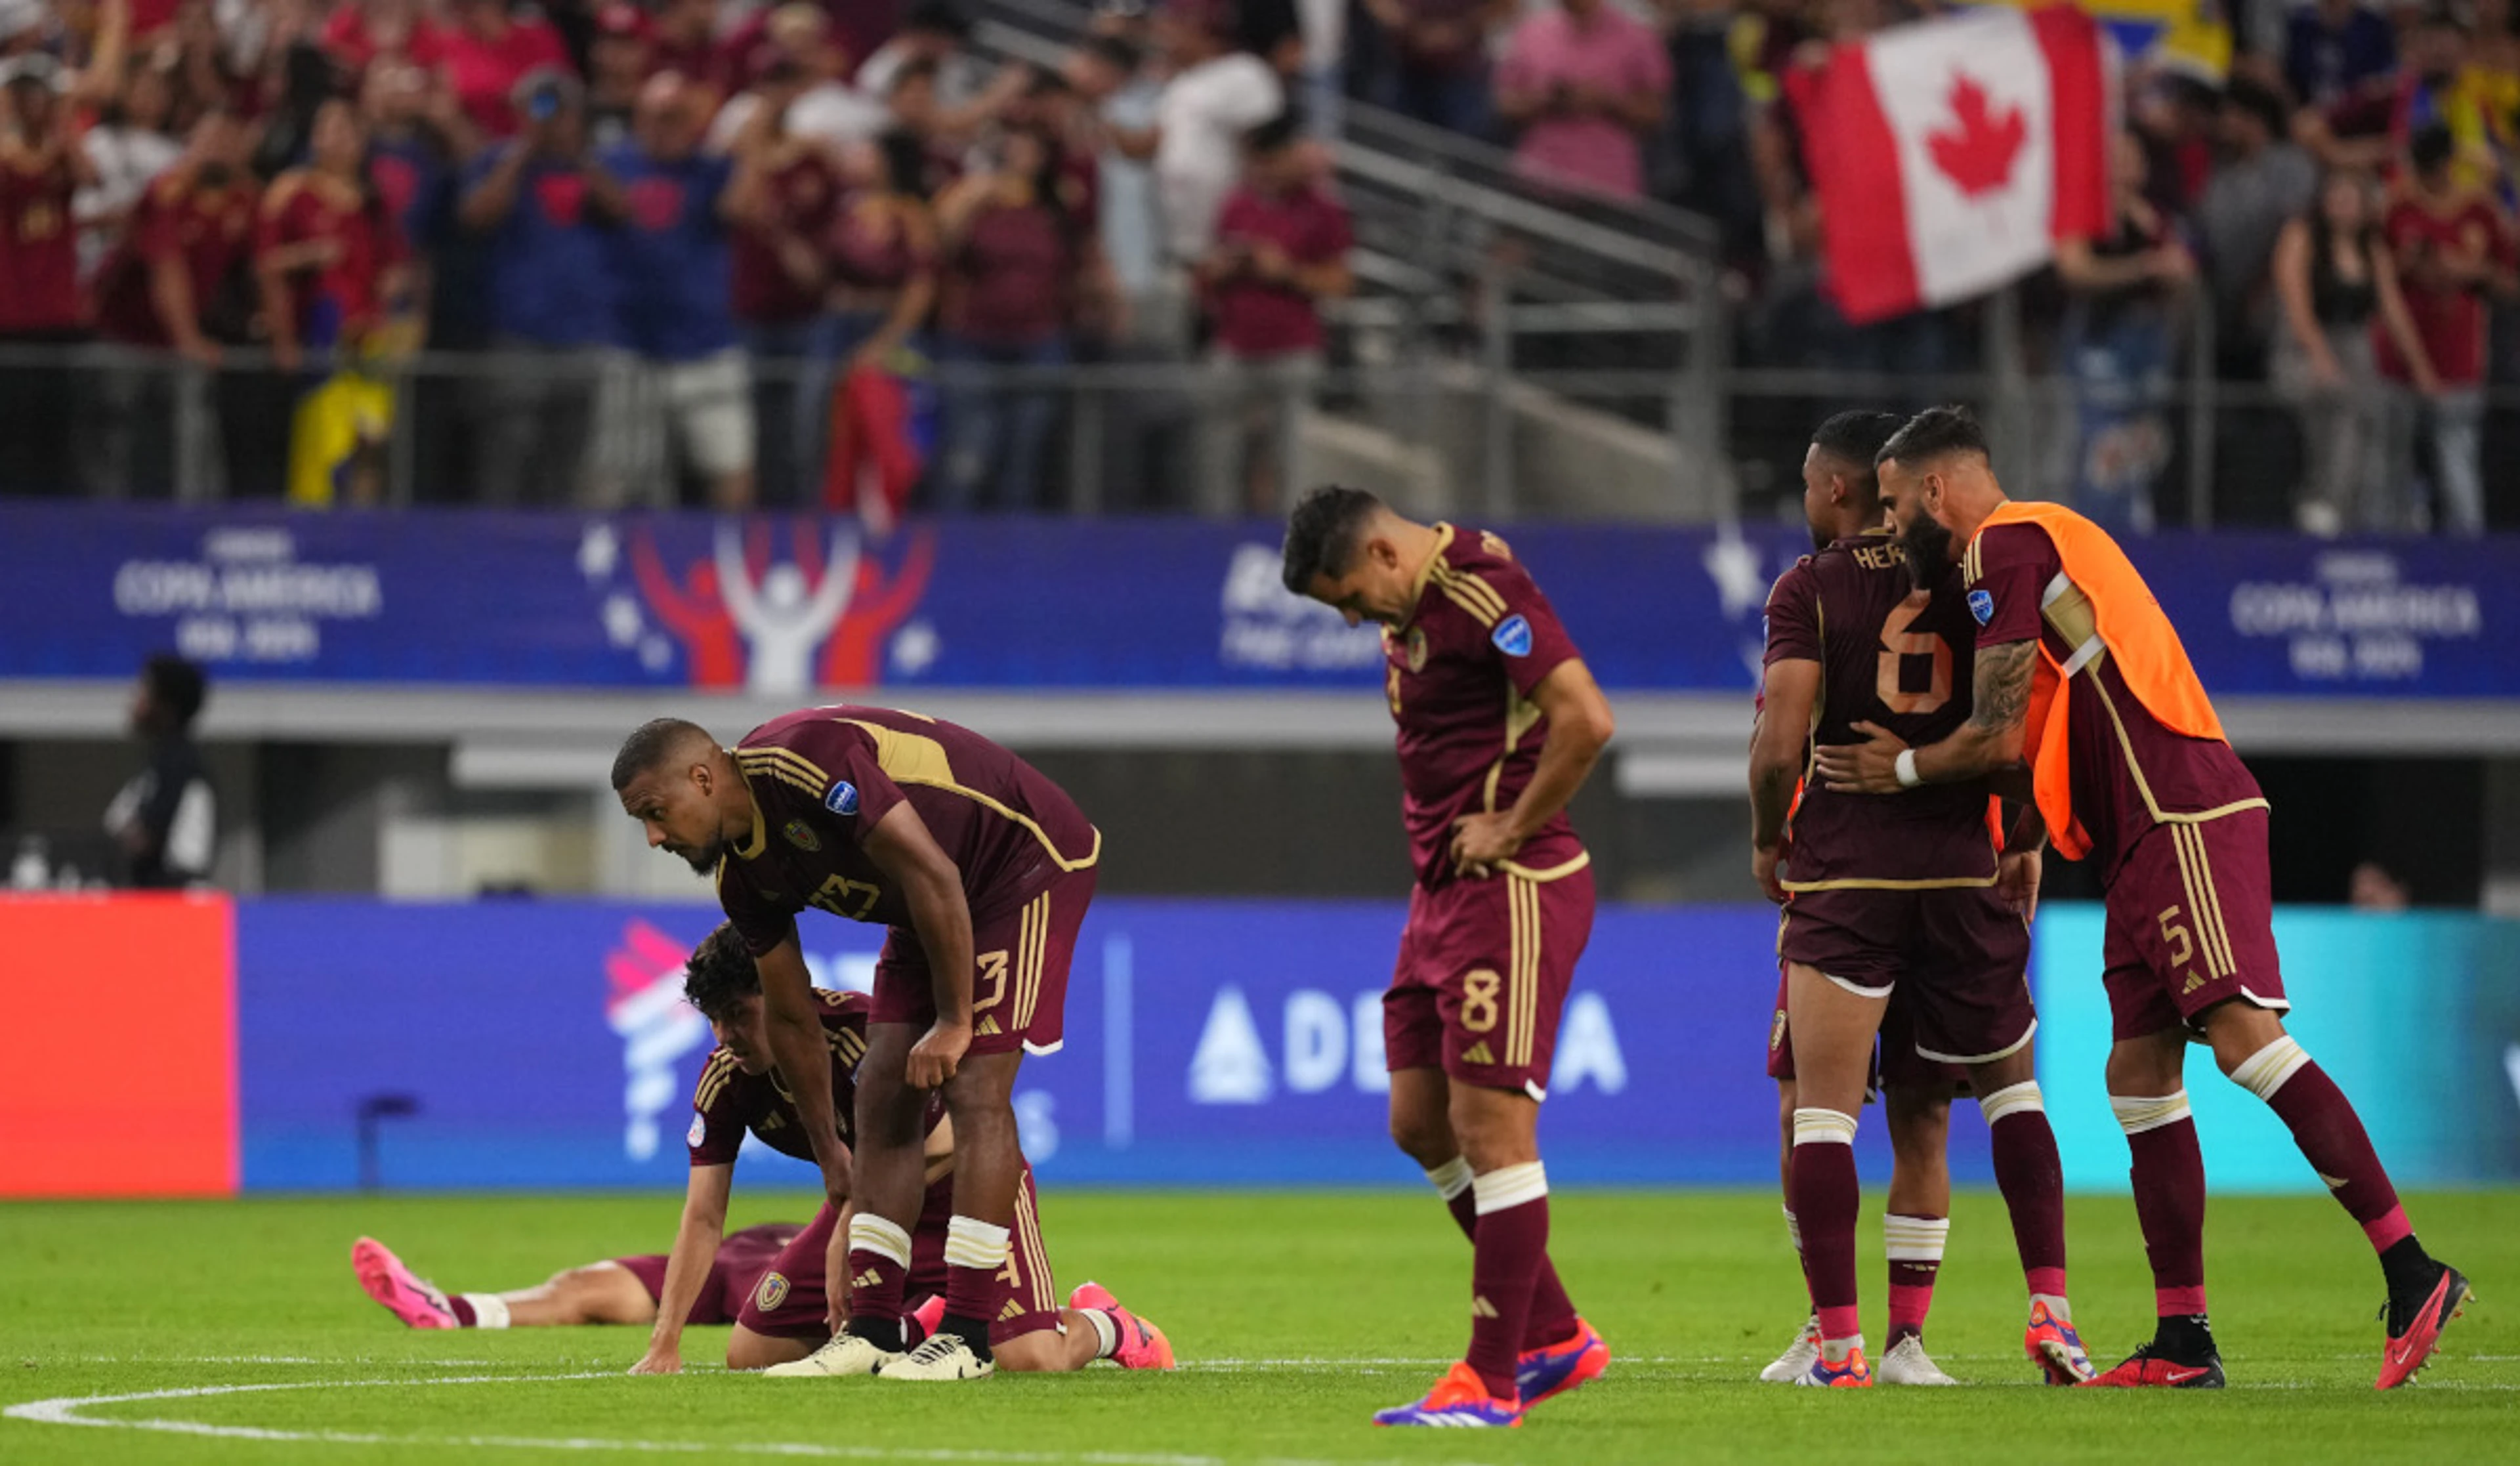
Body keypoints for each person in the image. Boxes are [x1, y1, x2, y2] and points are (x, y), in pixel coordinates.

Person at [1817, 406, 2475, 1391]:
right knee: (2138, 1072)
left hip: (2180, 807)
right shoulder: (2025, 568)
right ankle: (2183, 1340)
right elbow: (2041, 720)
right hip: (2131, 835)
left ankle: (2410, 1265)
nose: (1896, 523)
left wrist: (1898, 770)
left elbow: (1994, 733)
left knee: (2246, 1037)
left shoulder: (2006, 540)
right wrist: (2031, 839)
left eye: (1901, 502)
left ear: (1938, 491)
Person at [353, 924, 1173, 1375]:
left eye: (740, 1017)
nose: (728, 1038)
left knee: (1030, 1360)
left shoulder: (863, 1035)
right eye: (714, 1022)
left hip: (964, 1193)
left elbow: (942, 1143)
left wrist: (853, 1235)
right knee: (751, 1350)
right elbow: (703, 1215)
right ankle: (909, 1325)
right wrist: (665, 1341)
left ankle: (1107, 1323)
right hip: (860, 1205)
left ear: (780, 1000)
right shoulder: (727, 1079)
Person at [610, 707, 1101, 1383]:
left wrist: (957, 1019)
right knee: (879, 1091)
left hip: (1016, 865)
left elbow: (932, 868)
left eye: (654, 810)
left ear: (701, 777)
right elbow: (789, 1015)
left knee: (973, 1087)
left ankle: (965, 1335)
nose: (653, 834)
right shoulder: (743, 878)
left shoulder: (804, 763)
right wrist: (829, 1155)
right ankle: (870, 1329)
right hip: (923, 901)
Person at [1750, 410, 2087, 1390]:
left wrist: (1769, 835)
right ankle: (2025, 1320)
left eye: (1815, 483)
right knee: (1991, 1098)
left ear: (1843, 488)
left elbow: (1780, 747)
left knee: (1817, 1114)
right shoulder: (1974, 573)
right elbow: (2022, 718)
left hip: (1847, 875)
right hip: (1960, 873)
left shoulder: (1809, 586)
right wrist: (2023, 839)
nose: (1809, 499)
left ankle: (1840, 1342)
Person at [1280, 487, 1614, 1428]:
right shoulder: (1429, 593)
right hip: (1440, 896)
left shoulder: (1479, 595)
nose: (1353, 619)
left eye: (1349, 597)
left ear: (1385, 553)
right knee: (1420, 1121)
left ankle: (1491, 1378)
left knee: (1493, 1128)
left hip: (1513, 885)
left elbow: (1586, 716)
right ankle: (1554, 1336)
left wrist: (1512, 822)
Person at [457, 68, 627, 505]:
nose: (553, 119)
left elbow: (623, 212)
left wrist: (579, 156)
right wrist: (524, 148)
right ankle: (496, 551)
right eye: (540, 107)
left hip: (583, 334)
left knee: (571, 464)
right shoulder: (496, 161)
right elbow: (478, 217)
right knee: (507, 454)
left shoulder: (597, 164)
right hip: (519, 335)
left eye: (562, 109)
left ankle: (559, 560)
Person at [602, 71, 761, 509]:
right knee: (618, 476)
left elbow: (740, 211)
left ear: (693, 121)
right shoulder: (612, 164)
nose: (665, 128)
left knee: (730, 467)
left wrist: (752, 150)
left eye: (676, 117)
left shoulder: (712, 170)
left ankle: (728, 562)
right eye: (656, 116)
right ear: (638, 118)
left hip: (706, 343)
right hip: (633, 343)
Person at [932, 121, 1091, 511]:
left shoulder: (1055, 206)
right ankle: (957, 544)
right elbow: (937, 247)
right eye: (1014, 151)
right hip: (974, 340)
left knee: (1026, 454)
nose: (1020, 159)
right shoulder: (972, 200)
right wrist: (972, 197)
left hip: (1039, 339)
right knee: (973, 447)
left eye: (1029, 150)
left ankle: (1019, 551)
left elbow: (1077, 265)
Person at [1197, 113, 1351, 514]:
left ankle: (1295, 548)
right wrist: (1227, 267)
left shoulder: (1322, 208)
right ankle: (1217, 542)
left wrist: (1286, 271)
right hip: (1235, 343)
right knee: (1219, 455)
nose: (1264, 170)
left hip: (1294, 348)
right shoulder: (1238, 202)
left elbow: (1341, 282)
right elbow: (1208, 270)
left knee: (1293, 461)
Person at [2269, 167, 2435, 536]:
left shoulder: (2372, 248)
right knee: (2342, 406)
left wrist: (2422, 368)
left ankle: (2378, 511)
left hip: (2354, 349)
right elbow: (2296, 308)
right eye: (2335, 197)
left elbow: (2393, 312)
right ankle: (2324, 503)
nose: (2342, 206)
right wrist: (2321, 357)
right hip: (2301, 347)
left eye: (2351, 199)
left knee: (2381, 409)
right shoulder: (2301, 236)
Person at [2382, 123, 2513, 536]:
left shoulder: (2480, 210)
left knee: (2457, 461)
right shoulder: (2397, 208)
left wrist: (2474, 272)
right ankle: (2393, 555)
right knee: (2392, 466)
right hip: (2398, 362)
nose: (2430, 178)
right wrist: (2408, 264)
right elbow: (2374, 278)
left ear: (2449, 165)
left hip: (2459, 358)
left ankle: (2468, 560)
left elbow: (2512, 283)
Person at [351, 1225, 812, 1337]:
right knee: (583, 1285)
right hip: (744, 1246)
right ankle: (451, 1310)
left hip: (798, 1259)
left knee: (793, 1301)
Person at [0, 54, 98, 499]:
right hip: (10, 316)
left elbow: (91, 177)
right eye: (24, 94)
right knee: (12, 431)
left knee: (58, 432)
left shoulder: (62, 157)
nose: (32, 103)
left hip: (58, 315)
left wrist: (65, 123)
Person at [1492, 0, 1669, 199]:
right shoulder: (1532, 32)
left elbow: (1654, 113)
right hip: (1536, 176)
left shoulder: (1638, 38)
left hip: (1608, 187)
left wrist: (1607, 100)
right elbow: (1505, 103)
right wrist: (1548, 99)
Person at [102, 652, 215, 888]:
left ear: (165, 705)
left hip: (171, 903)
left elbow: (145, 839)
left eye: (144, 692)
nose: (133, 701)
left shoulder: (178, 763)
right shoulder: (159, 761)